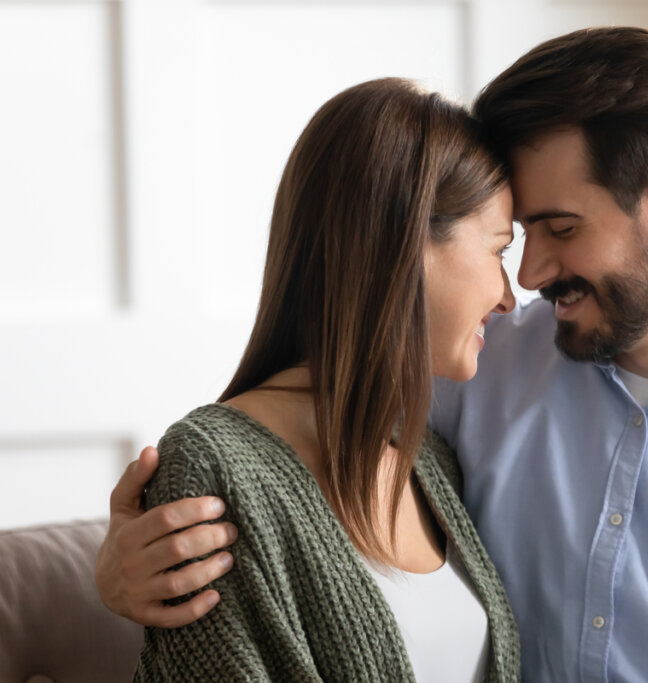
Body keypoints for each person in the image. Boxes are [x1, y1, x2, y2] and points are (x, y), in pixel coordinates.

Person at [97, 28, 648, 682]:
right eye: (516, 237)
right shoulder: (477, 365)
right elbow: (289, 486)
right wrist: (127, 567)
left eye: (558, 229)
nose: (528, 276)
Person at [117, 77, 520, 682]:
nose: (510, 297)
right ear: (407, 243)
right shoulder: (213, 468)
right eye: (499, 251)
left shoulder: (429, 459)